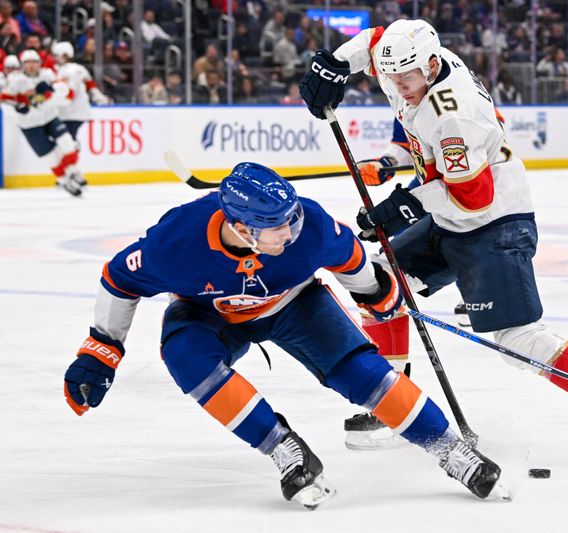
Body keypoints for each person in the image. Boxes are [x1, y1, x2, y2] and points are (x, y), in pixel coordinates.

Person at [300, 19, 568, 463]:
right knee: (378, 284)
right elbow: (374, 41)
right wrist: (332, 65)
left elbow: (471, 195)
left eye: (406, 78)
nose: (398, 87)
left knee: (517, 339)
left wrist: (400, 207)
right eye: (391, 77)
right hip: (449, 214)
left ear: (429, 65)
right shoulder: (407, 63)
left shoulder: (455, 115)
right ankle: (392, 404)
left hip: (494, 220)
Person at [62, 163, 510, 508]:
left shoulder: (308, 226)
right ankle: (283, 447)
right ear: (239, 228)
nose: (291, 232)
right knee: (187, 359)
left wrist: (376, 292)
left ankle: (449, 449)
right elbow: (120, 279)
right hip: (209, 312)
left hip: (293, 302)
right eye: (277, 227)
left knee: (361, 373)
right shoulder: (175, 243)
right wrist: (103, 347)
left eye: (291, 219)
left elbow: (350, 259)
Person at [0, 49, 84, 196]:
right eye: (27, 63)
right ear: (22, 65)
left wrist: (49, 93)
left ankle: (73, 170)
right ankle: (63, 180)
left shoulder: (48, 74)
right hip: (29, 124)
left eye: (34, 62)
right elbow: (4, 99)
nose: (31, 66)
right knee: (50, 156)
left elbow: (65, 91)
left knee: (67, 142)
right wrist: (16, 108)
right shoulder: (16, 80)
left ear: (40, 63)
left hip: (49, 117)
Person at [52, 41, 111, 160]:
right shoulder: (78, 69)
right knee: (67, 139)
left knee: (67, 141)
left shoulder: (67, 72)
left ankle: (71, 165)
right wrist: (101, 98)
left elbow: (69, 93)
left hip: (69, 113)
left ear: (64, 55)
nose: (55, 58)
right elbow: (91, 85)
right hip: (77, 112)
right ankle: (71, 164)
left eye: (56, 55)